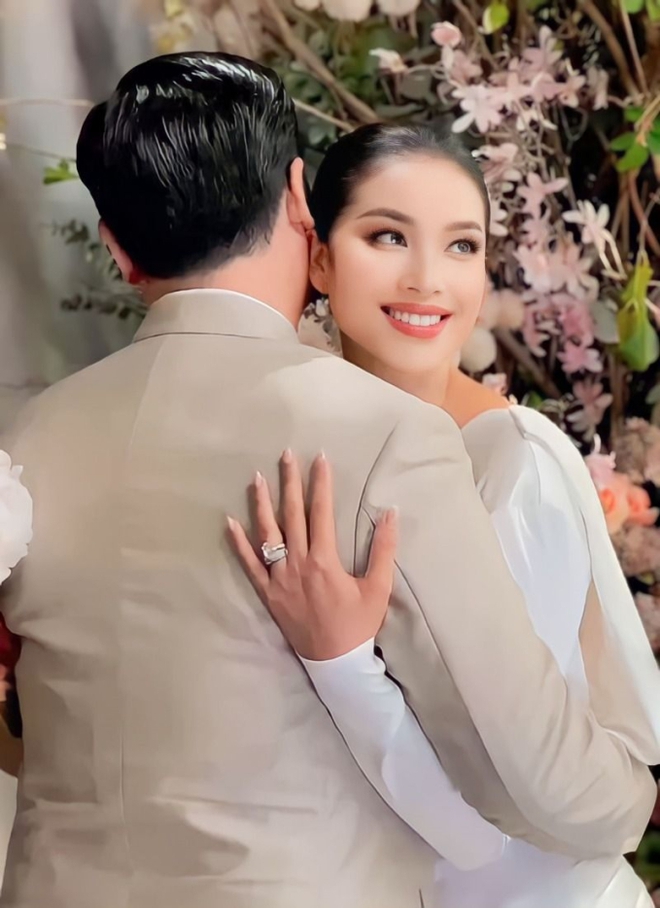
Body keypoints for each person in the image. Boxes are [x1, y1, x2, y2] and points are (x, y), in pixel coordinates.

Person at [0, 53, 654, 908]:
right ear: (299, 200)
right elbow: (525, 768)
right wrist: (627, 804)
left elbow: (32, 733)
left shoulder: (29, 441)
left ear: (117, 250)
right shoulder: (384, 433)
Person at [229, 123, 660, 907]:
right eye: (388, 236)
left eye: (462, 246)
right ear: (319, 257)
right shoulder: (287, 450)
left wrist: (340, 662)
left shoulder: (516, 465)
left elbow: (498, 808)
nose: (428, 279)